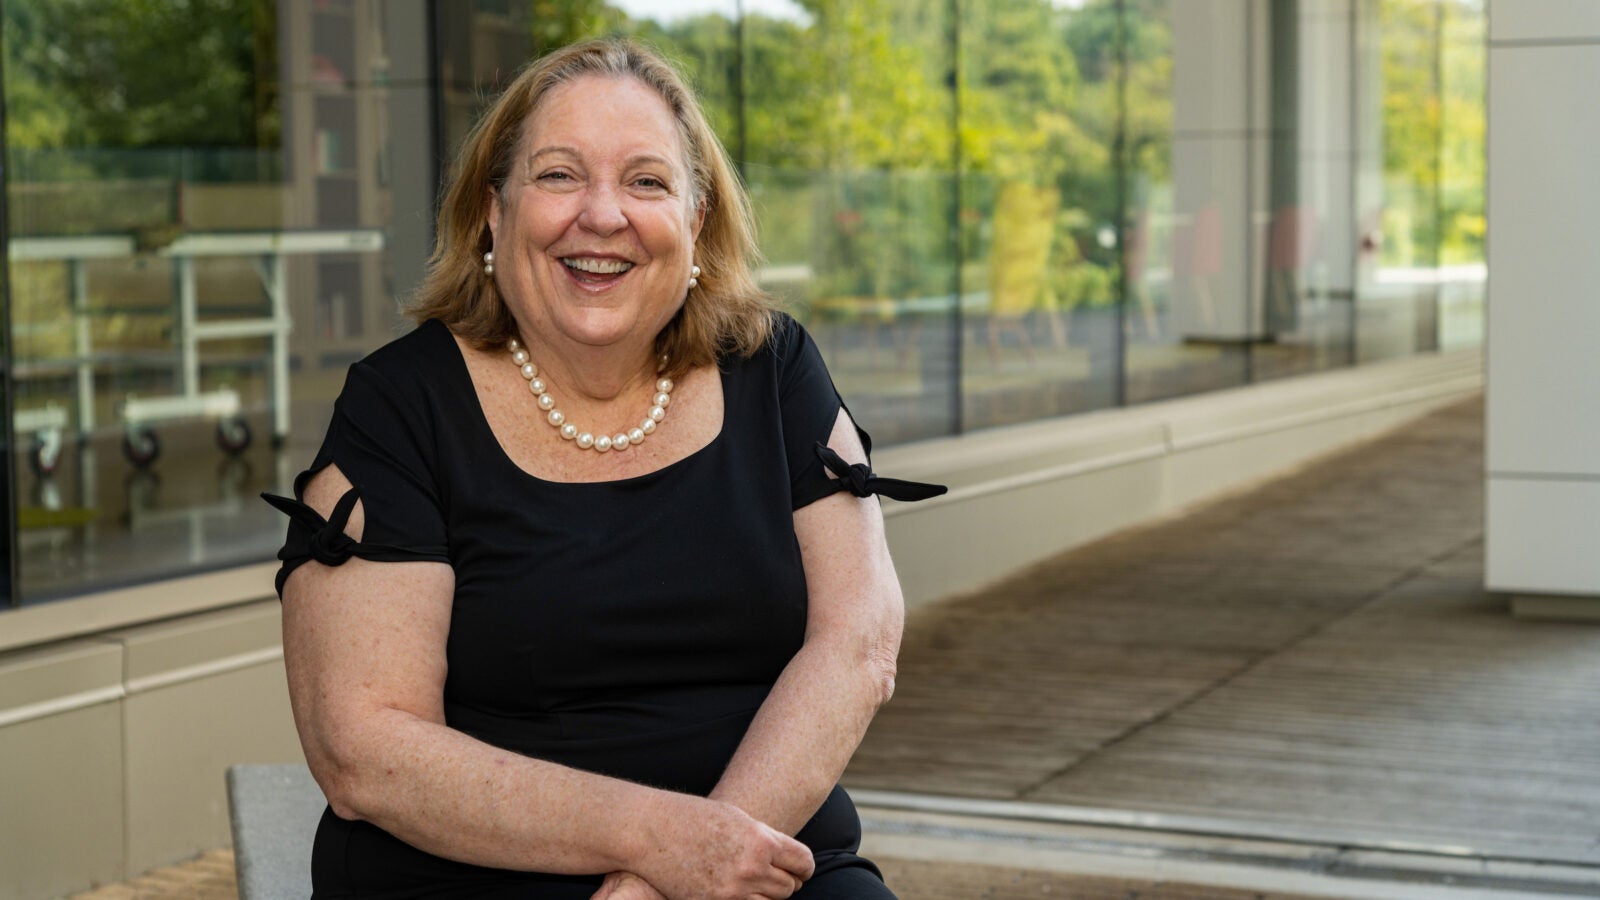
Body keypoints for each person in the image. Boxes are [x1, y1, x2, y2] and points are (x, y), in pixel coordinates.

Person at [264, 37, 944, 899]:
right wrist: (661, 844)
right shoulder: (400, 407)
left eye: (647, 181)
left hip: (755, 863)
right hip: (471, 875)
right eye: (558, 176)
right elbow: (362, 747)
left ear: (695, 223)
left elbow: (859, 640)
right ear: (493, 212)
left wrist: (692, 873)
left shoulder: (773, 368)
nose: (603, 215)